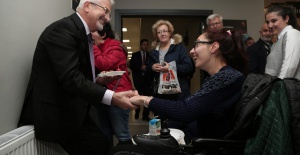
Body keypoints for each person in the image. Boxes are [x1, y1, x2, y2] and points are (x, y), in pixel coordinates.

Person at [17, 0, 137, 154]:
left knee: (102, 144)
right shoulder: (63, 30)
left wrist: (97, 81)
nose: (108, 18)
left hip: (75, 110)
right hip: (59, 114)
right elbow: (70, 77)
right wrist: (112, 97)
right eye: (105, 11)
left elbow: (75, 73)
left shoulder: (80, 33)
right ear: (87, 6)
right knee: (100, 146)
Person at [130, 29, 248, 143]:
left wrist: (144, 99)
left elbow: (185, 110)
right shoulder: (221, 77)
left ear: (213, 47)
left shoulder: (227, 77)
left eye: (196, 44)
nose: (191, 51)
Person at [92, 23, 133, 145]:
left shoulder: (116, 48)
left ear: (103, 34)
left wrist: (92, 46)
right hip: (102, 96)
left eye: (92, 31)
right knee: (105, 134)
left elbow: (104, 64)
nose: (89, 34)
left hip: (118, 96)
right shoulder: (99, 48)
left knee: (122, 134)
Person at [265, 5, 300, 79]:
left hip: (285, 88)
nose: (270, 25)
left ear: (286, 18)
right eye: (267, 22)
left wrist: (278, 88)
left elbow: (289, 67)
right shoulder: (278, 40)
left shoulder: (292, 33)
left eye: (274, 21)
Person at [130, 39, 151, 121]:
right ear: (140, 45)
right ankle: (137, 113)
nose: (145, 46)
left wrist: (147, 67)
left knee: (147, 98)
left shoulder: (150, 55)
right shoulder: (135, 55)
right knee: (137, 97)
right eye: (144, 44)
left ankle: (145, 116)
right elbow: (132, 66)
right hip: (138, 80)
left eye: (146, 44)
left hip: (147, 80)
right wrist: (140, 67)